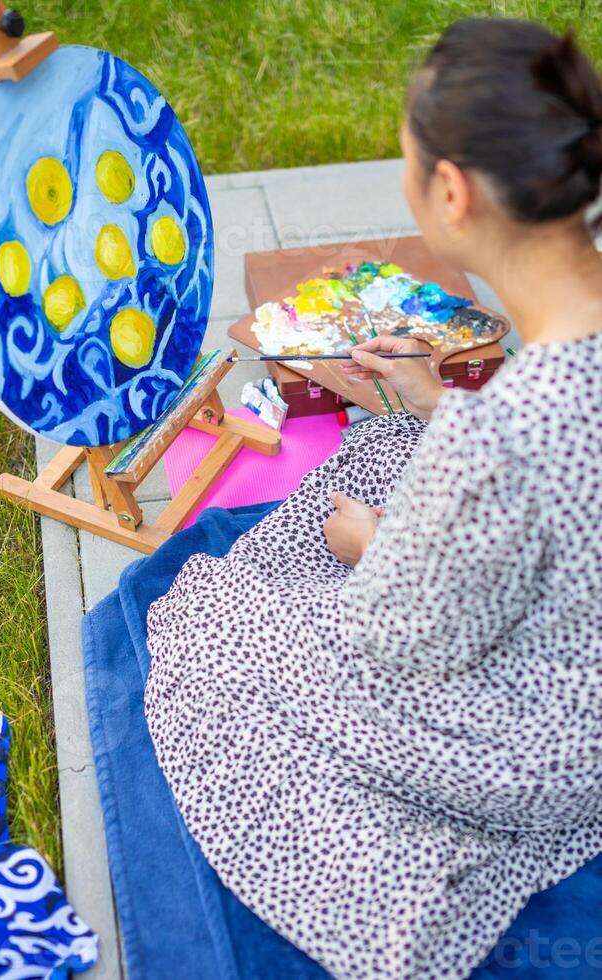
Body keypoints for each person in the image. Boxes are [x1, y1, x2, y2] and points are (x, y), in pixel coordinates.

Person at [145, 18, 602, 979]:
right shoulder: (525, 405)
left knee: (207, 614)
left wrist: (369, 543)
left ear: (450, 191)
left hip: (545, 753)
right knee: (391, 450)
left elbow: (407, 640)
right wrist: (434, 402)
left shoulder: (501, 437)